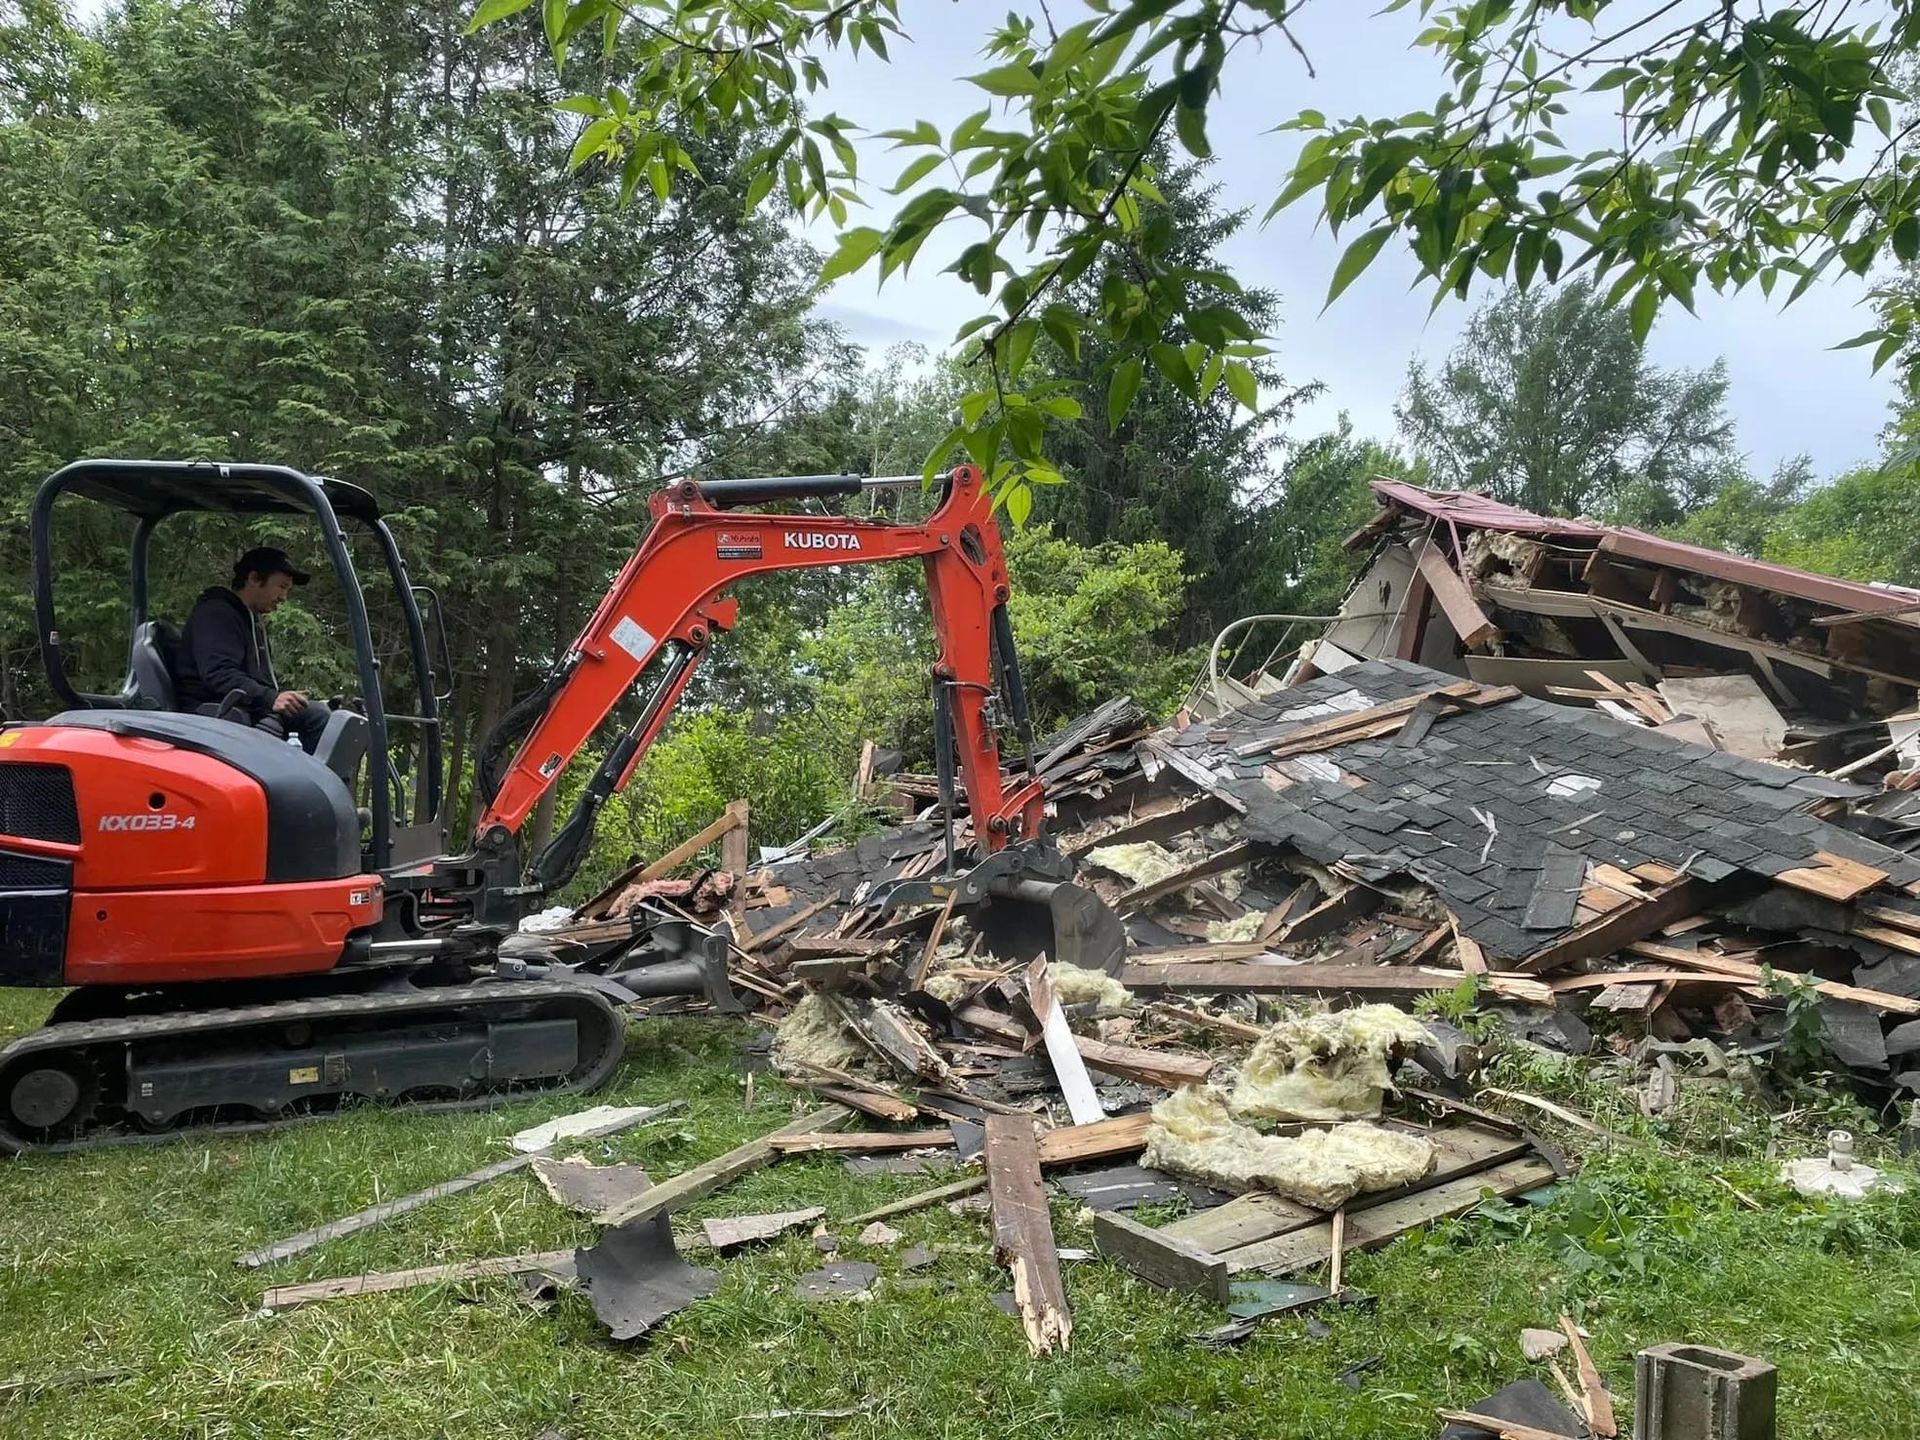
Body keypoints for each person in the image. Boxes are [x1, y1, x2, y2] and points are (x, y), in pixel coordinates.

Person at [176, 546, 331, 753]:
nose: (284, 597)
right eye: (281, 586)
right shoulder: (217, 614)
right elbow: (219, 674)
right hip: (214, 713)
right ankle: (321, 783)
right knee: (316, 718)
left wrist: (278, 696)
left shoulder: (246, 618)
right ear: (254, 578)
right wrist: (270, 698)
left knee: (320, 714)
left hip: (240, 707)